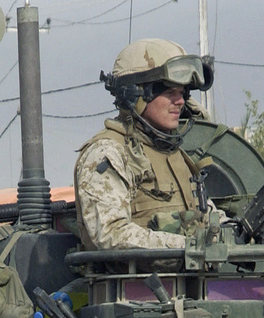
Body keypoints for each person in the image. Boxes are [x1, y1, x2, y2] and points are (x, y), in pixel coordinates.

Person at [74, 39, 220, 251]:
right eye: (170, 93)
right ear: (136, 96)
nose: (180, 102)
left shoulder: (174, 153)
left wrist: (233, 233)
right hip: (138, 283)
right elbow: (111, 234)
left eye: (183, 94)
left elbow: (204, 216)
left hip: (190, 280)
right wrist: (190, 246)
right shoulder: (109, 153)